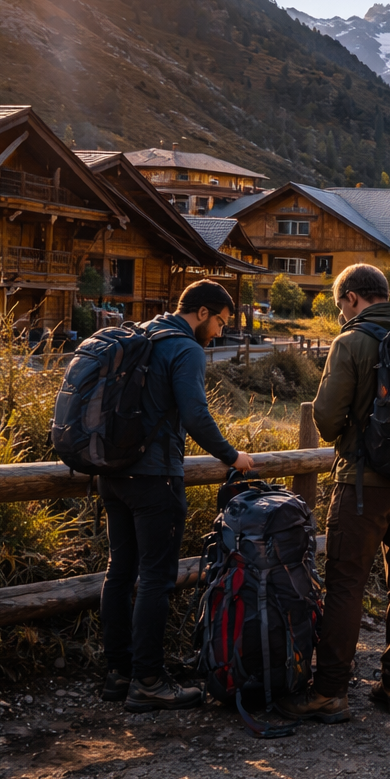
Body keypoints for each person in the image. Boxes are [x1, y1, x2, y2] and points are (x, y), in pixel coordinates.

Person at [278, 264, 390, 721]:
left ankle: (330, 693)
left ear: (351, 299)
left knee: (346, 584)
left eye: (339, 304)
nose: (341, 313)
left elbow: (325, 418)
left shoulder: (352, 341)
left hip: (363, 485)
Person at [100, 280, 255, 712]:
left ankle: (118, 674)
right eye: (221, 321)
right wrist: (232, 455)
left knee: (119, 571)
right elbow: (195, 413)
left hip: (112, 474)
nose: (221, 332)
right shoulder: (184, 348)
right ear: (202, 312)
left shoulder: (142, 334)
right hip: (154, 479)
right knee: (154, 577)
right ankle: (149, 680)